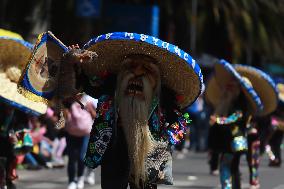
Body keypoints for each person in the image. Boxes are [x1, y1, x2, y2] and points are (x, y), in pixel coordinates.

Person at [19, 32, 204, 189]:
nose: (137, 72)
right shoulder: (109, 86)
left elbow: (184, 119)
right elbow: (78, 85)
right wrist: (73, 63)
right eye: (132, 67)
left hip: (148, 151)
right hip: (113, 148)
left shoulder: (164, 96)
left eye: (145, 69)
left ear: (155, 76)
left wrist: (166, 139)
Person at [205, 60, 276, 189]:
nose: (229, 89)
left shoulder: (243, 105)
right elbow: (218, 115)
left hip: (242, 136)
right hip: (228, 138)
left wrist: (220, 120)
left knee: (249, 162)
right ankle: (231, 185)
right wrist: (219, 114)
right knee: (230, 165)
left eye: (233, 87)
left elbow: (236, 117)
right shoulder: (227, 102)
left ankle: (251, 181)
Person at [0, 31, 47, 189]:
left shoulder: (20, 107)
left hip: (11, 137)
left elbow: (23, 121)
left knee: (8, 160)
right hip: (4, 136)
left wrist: (15, 134)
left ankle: (8, 180)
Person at [233, 64, 278, 189]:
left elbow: (265, 119)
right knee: (235, 157)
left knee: (253, 159)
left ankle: (254, 181)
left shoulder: (258, 102)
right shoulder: (236, 100)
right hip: (239, 132)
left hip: (254, 134)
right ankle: (236, 181)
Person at [64, 94, 97, 189]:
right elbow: (63, 117)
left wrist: (90, 110)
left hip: (85, 134)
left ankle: (80, 177)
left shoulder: (89, 101)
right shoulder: (68, 101)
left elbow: (96, 116)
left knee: (82, 157)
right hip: (71, 133)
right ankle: (71, 181)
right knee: (72, 158)